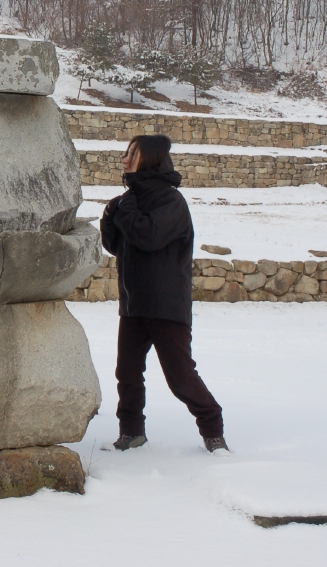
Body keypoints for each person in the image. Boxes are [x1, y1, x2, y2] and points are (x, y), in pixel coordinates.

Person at [99, 133, 228, 453]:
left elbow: (147, 235)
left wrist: (124, 206)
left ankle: (212, 429)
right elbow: (117, 245)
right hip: (133, 304)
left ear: (151, 159)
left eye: (132, 153)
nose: (125, 159)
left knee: (180, 377)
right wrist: (109, 217)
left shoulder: (170, 201)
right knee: (127, 372)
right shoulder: (132, 200)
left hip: (166, 307)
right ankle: (131, 431)